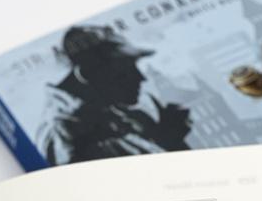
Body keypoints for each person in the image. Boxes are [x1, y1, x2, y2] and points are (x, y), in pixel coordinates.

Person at [37, 24, 192, 164]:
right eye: (126, 71)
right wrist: (167, 142)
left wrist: (169, 140)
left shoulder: (116, 110)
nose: (141, 78)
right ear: (90, 73)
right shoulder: (64, 135)